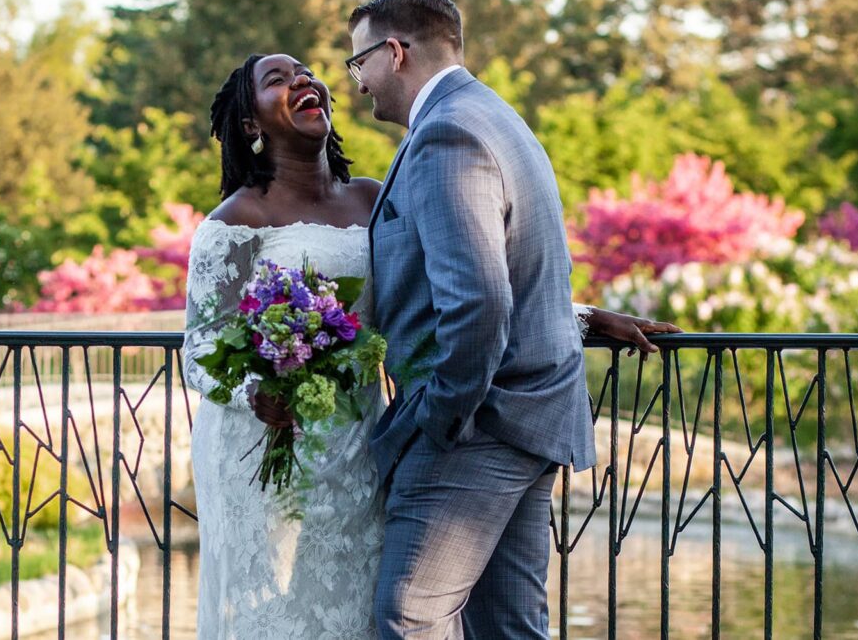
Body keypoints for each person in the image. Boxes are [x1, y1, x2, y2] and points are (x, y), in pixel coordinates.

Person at [182, 52, 678, 638]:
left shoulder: (372, 199)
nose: (303, 81)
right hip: (267, 446)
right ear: (250, 125)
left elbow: (452, 286)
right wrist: (254, 392)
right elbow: (200, 347)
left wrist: (584, 317)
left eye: (307, 72)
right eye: (278, 80)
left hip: (357, 449)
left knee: (359, 607)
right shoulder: (235, 221)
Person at [345, 0, 646, 639]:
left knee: (411, 616)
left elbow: (479, 298)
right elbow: (506, 268)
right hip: (530, 414)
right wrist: (586, 316)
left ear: (394, 53)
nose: (357, 83)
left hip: (479, 425)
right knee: (508, 627)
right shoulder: (493, 115)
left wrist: (442, 415)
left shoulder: (446, 134)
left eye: (358, 63)